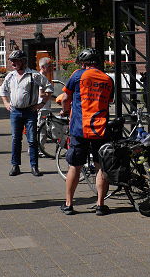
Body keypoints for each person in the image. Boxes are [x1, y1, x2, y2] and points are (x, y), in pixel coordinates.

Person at [60, 47, 114, 216]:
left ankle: (69, 204)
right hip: (100, 129)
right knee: (101, 167)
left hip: (79, 128)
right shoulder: (107, 79)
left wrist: (65, 110)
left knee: (75, 166)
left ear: (83, 63)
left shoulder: (77, 75)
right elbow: (109, 101)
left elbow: (66, 98)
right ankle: (100, 205)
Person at [0, 49, 53, 176]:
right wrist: (6, 103)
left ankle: (34, 166)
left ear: (23, 61)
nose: (12, 63)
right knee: (15, 139)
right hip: (15, 112)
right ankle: (15, 166)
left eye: (15, 61)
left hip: (30, 112)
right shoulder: (10, 76)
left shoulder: (33, 75)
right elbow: (3, 91)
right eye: (11, 61)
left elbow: (49, 87)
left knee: (32, 140)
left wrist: (41, 104)